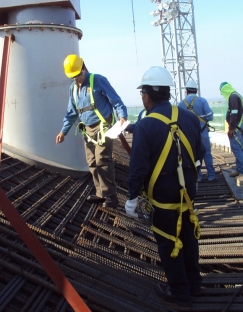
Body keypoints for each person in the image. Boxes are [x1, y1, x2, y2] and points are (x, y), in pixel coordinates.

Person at [125, 66, 205, 308]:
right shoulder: (189, 117)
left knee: (168, 241)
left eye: (142, 94)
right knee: (189, 238)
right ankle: (195, 284)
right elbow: (199, 153)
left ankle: (179, 291)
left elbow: (138, 167)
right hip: (188, 192)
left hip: (163, 197)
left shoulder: (146, 125)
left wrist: (131, 197)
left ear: (147, 95)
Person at [56, 54, 128, 208]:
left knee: (102, 159)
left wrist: (122, 116)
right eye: (73, 77)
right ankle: (100, 193)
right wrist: (63, 132)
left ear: (83, 68)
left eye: (78, 75)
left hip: (103, 126)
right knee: (91, 161)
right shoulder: (73, 89)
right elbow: (71, 113)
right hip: (87, 130)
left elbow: (116, 100)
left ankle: (111, 197)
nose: (76, 79)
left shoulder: (98, 80)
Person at [178, 80, 217, 182]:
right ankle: (211, 176)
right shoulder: (202, 101)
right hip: (203, 132)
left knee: (193, 155)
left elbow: (178, 120)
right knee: (207, 154)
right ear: (196, 90)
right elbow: (210, 116)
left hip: (188, 135)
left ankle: (198, 176)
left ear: (186, 90)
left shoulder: (181, 104)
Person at [219, 82, 243, 177]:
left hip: (236, 128)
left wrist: (231, 129)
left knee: (236, 149)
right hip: (239, 127)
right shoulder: (237, 95)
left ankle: (241, 169)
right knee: (240, 148)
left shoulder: (232, 97)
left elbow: (234, 114)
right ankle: (240, 169)